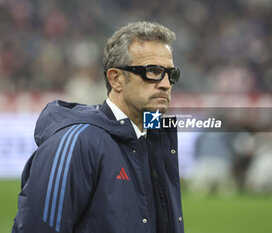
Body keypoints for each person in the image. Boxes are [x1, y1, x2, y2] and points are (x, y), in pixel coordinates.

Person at [12, 21, 184, 233]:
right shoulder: (76, 142)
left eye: (170, 74)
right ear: (116, 79)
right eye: (153, 71)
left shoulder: (157, 141)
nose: (166, 84)